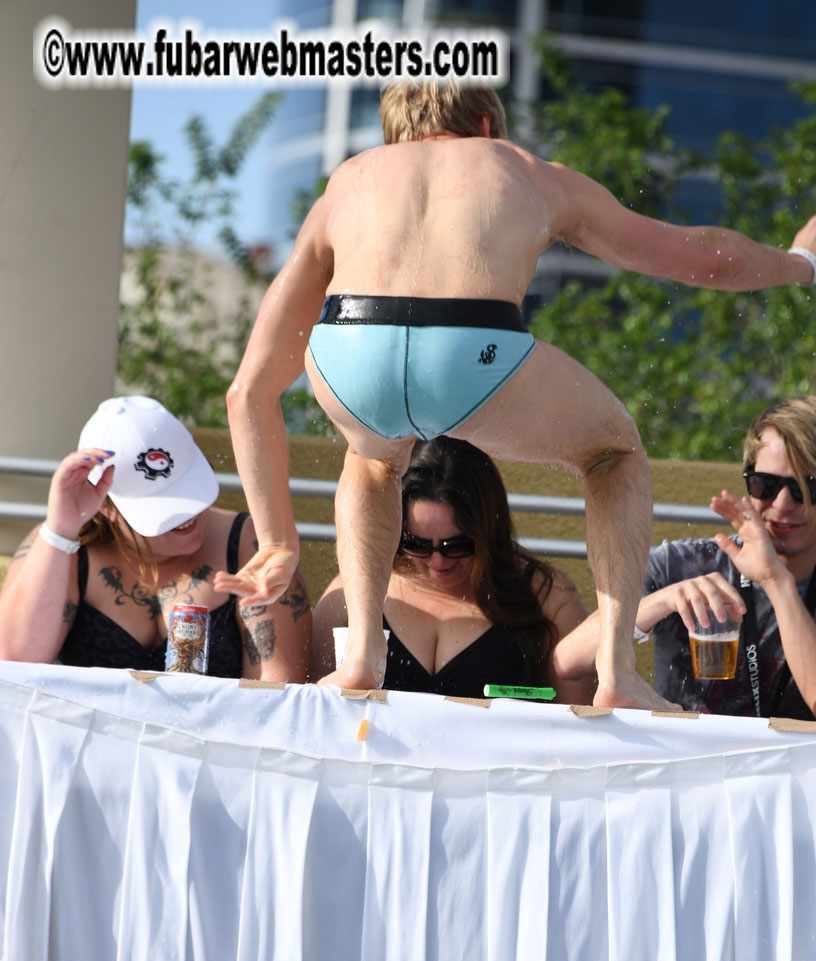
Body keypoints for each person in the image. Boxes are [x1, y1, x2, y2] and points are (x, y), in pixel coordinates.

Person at [215, 79, 816, 712]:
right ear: (484, 124)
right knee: (613, 453)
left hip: (347, 354)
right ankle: (616, 673)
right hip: (469, 344)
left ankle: (363, 656)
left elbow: (247, 390)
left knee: (371, 459)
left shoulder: (349, 181)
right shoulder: (523, 169)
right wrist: (801, 262)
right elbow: (699, 258)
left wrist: (280, 539)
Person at [0, 396, 311, 681]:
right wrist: (59, 531)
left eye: (187, 490)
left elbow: (278, 693)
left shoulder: (248, 544)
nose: (188, 514)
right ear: (106, 506)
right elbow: (14, 665)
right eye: (162, 507)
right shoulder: (65, 549)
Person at [553, 396, 816, 719]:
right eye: (767, 485)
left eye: (806, 489)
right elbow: (567, 660)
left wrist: (776, 580)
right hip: (686, 763)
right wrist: (662, 601)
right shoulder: (684, 564)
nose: (783, 504)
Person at [310, 436, 596, 704]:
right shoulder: (357, 589)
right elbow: (308, 700)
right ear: (396, 531)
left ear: (488, 531)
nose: (438, 562)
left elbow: (580, 723)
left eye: (457, 545)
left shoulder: (548, 598)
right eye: (417, 544)